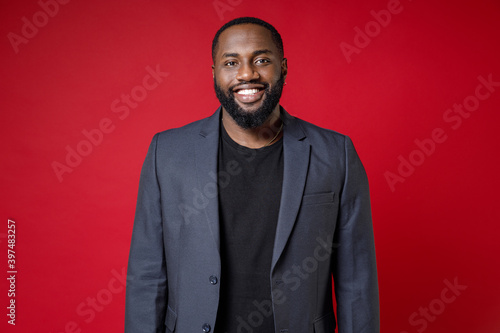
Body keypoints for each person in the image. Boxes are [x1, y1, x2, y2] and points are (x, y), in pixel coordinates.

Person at [125, 17, 379, 333]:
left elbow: (356, 277)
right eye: (231, 62)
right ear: (215, 73)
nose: (247, 74)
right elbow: (147, 274)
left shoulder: (335, 153)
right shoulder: (167, 153)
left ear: (284, 68)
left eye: (261, 60)